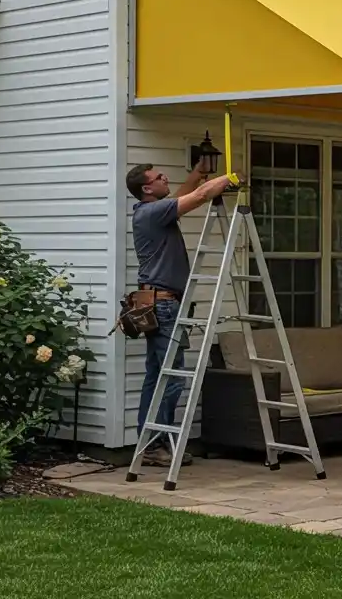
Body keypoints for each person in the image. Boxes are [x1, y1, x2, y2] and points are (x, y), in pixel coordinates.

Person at [125, 158, 238, 467]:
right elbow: (200, 196)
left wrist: (199, 172)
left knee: (155, 376)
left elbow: (187, 192)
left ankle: (149, 443)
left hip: (155, 302)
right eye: (158, 176)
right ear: (147, 188)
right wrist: (230, 177)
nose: (165, 177)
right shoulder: (152, 212)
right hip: (162, 305)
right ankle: (156, 445)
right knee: (171, 379)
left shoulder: (152, 211)